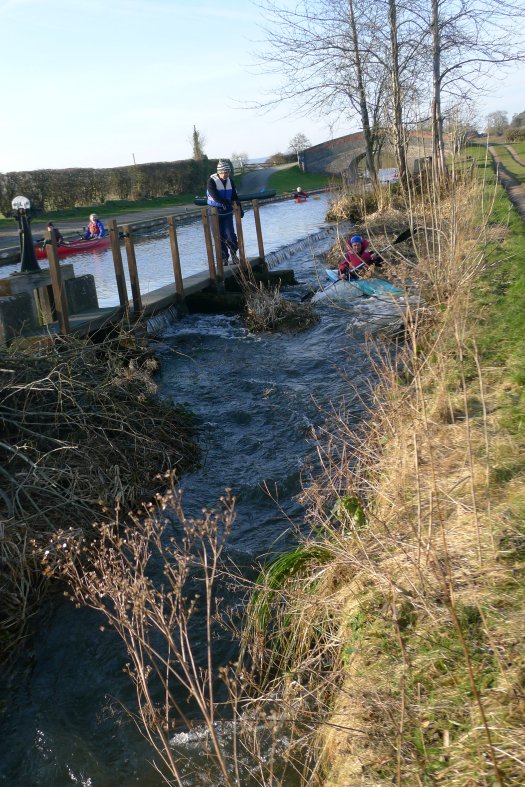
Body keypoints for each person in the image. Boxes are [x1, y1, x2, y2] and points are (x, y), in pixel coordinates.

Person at [206, 160, 244, 264]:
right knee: (219, 236)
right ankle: (224, 258)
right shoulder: (211, 181)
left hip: (227, 213)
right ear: (219, 172)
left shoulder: (230, 181)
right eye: (224, 172)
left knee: (230, 235)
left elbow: (235, 197)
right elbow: (216, 198)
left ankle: (233, 254)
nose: (226, 174)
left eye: (228, 172)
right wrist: (230, 203)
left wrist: (240, 208)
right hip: (214, 213)